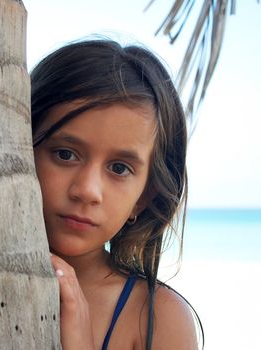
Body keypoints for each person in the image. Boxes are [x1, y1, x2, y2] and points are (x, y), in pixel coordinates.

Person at [31, 39, 201, 349]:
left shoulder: (156, 319)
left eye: (119, 169)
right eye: (66, 154)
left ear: (144, 197)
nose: (87, 191)